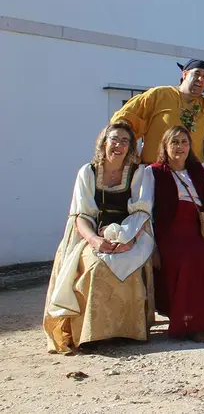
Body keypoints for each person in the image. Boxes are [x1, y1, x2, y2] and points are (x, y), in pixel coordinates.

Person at [44, 123, 155, 353]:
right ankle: (91, 334)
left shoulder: (139, 172)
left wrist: (128, 240)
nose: (119, 145)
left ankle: (128, 331)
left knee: (131, 266)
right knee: (95, 266)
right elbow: (81, 216)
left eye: (125, 141)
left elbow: (141, 212)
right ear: (104, 142)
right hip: (94, 233)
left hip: (130, 232)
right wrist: (95, 241)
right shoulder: (88, 172)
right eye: (114, 139)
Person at [145, 126, 204, 342]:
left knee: (202, 255)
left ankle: (200, 321)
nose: (180, 147)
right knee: (184, 259)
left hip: (197, 229)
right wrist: (152, 247)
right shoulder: (152, 173)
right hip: (168, 232)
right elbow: (145, 211)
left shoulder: (202, 170)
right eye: (174, 142)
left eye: (184, 142)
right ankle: (186, 322)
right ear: (165, 146)